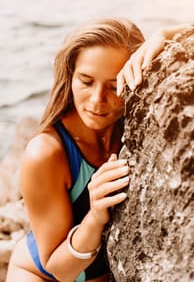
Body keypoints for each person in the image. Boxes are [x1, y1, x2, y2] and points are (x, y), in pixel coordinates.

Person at [6, 18, 182, 282]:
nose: (98, 100)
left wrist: (167, 34)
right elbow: (60, 269)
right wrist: (96, 214)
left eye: (113, 87)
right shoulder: (46, 153)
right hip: (42, 275)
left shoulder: (132, 125)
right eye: (86, 81)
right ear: (70, 75)